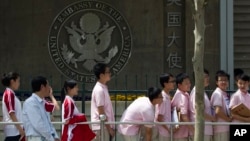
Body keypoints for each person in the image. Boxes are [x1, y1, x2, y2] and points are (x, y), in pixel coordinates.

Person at [22, 76, 60, 141]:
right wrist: (51, 138)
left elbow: (48, 122)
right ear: (42, 87)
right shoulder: (30, 102)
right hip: (37, 138)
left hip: (47, 137)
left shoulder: (43, 102)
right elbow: (38, 124)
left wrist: (55, 136)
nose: (49, 88)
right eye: (48, 86)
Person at [91, 63, 115, 141]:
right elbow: (101, 111)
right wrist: (109, 128)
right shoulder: (99, 89)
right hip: (101, 127)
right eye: (108, 72)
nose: (110, 74)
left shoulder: (103, 88)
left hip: (104, 127)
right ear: (101, 75)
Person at [189, 69, 215, 141]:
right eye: (205, 76)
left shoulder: (202, 92)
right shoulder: (196, 93)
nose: (208, 78)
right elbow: (200, 112)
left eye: (207, 76)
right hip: (201, 131)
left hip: (205, 130)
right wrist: (214, 119)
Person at [1, 72, 25, 141]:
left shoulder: (11, 94)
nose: (19, 84)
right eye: (18, 81)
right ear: (12, 81)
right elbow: (11, 113)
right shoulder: (9, 94)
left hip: (15, 131)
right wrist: (20, 129)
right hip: (13, 131)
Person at [171, 73, 193, 141]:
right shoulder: (181, 97)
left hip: (181, 132)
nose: (189, 85)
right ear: (179, 85)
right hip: (180, 134)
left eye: (189, 83)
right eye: (186, 83)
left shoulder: (183, 94)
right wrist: (193, 130)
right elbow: (184, 116)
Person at [210, 70, 232, 141]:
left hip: (224, 128)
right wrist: (228, 119)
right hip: (220, 128)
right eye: (221, 80)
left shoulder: (223, 93)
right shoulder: (218, 94)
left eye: (225, 80)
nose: (223, 82)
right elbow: (218, 111)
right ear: (217, 82)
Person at [155, 73, 175, 141]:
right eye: (172, 81)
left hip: (165, 131)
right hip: (163, 132)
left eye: (174, 81)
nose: (173, 83)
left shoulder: (167, 96)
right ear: (165, 84)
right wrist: (169, 129)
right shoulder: (163, 98)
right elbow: (159, 118)